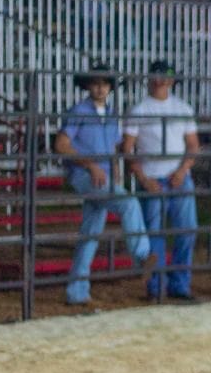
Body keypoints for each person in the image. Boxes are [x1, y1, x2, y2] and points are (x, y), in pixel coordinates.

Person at [54, 63, 154, 305]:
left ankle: (77, 292)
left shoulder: (110, 114)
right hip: (85, 174)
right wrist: (91, 165)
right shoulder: (79, 111)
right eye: (96, 84)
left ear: (109, 88)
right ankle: (141, 255)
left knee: (90, 234)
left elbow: (112, 147)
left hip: (101, 175)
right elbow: (61, 145)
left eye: (104, 84)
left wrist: (114, 169)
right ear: (88, 86)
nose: (100, 88)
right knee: (128, 203)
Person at [121, 61, 200, 301]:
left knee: (185, 231)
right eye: (157, 76)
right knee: (155, 233)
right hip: (154, 177)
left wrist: (182, 170)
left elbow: (193, 145)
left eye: (165, 76)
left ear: (171, 80)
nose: (161, 80)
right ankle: (157, 287)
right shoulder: (139, 110)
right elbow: (127, 148)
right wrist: (144, 178)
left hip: (177, 176)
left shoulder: (182, 108)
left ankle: (177, 285)